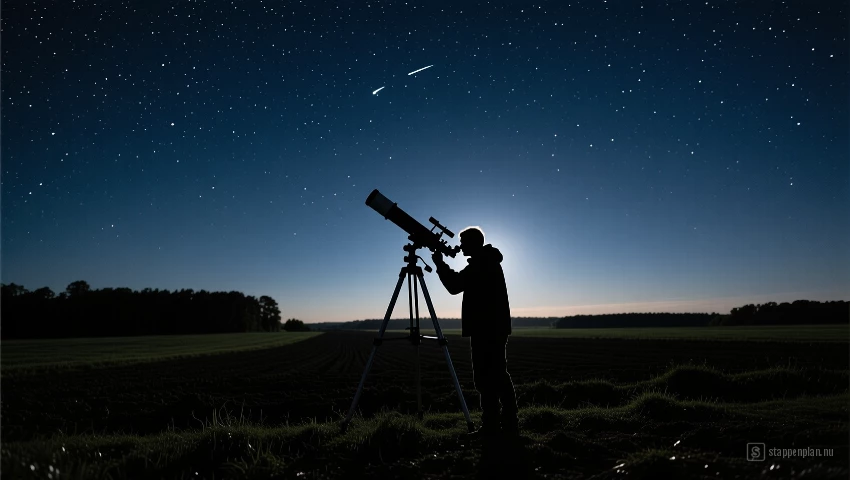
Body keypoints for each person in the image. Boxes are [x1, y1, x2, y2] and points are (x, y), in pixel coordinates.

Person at [431, 226, 519, 437]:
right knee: (495, 374)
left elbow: (454, 286)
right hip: (490, 327)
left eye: (463, 243)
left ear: (473, 243)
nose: (460, 247)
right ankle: (502, 422)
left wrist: (440, 264)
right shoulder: (486, 261)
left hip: (487, 328)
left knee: (489, 376)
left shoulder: (482, 264)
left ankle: (498, 424)